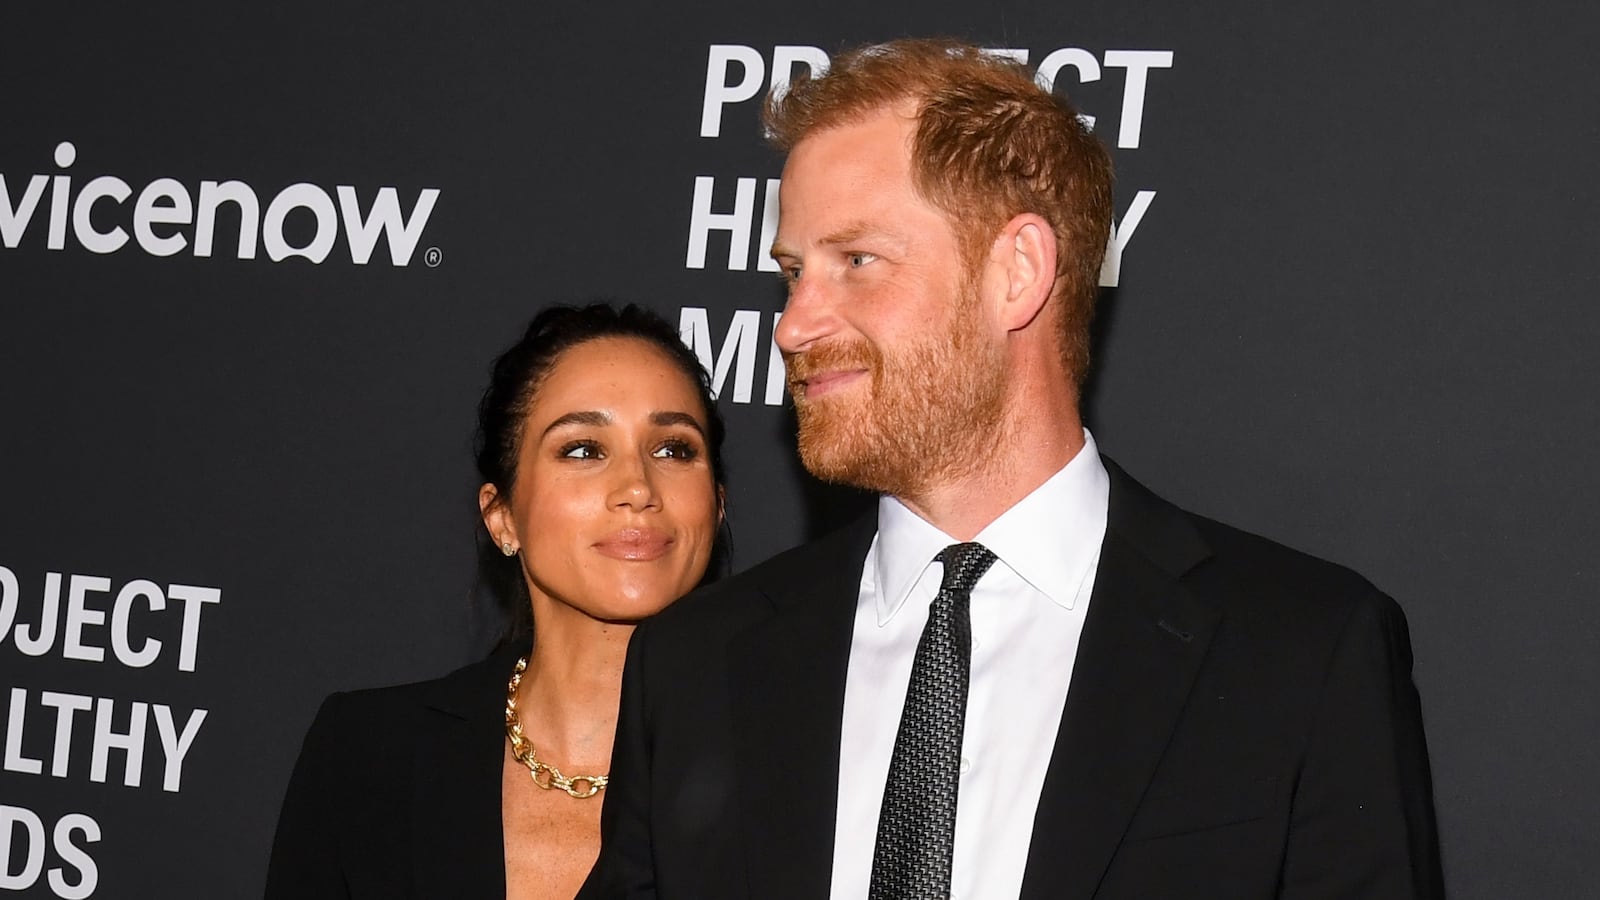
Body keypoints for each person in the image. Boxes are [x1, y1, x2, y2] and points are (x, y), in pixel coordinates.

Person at [581, 39, 1443, 900]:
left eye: (857, 262)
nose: (794, 325)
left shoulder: (1301, 655)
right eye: (794, 273)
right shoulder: (695, 668)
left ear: (1017, 272)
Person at [265, 304, 727, 900]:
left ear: (714, 507)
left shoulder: (795, 778)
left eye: (673, 449)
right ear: (502, 515)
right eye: (583, 449)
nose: (638, 487)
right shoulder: (366, 756)